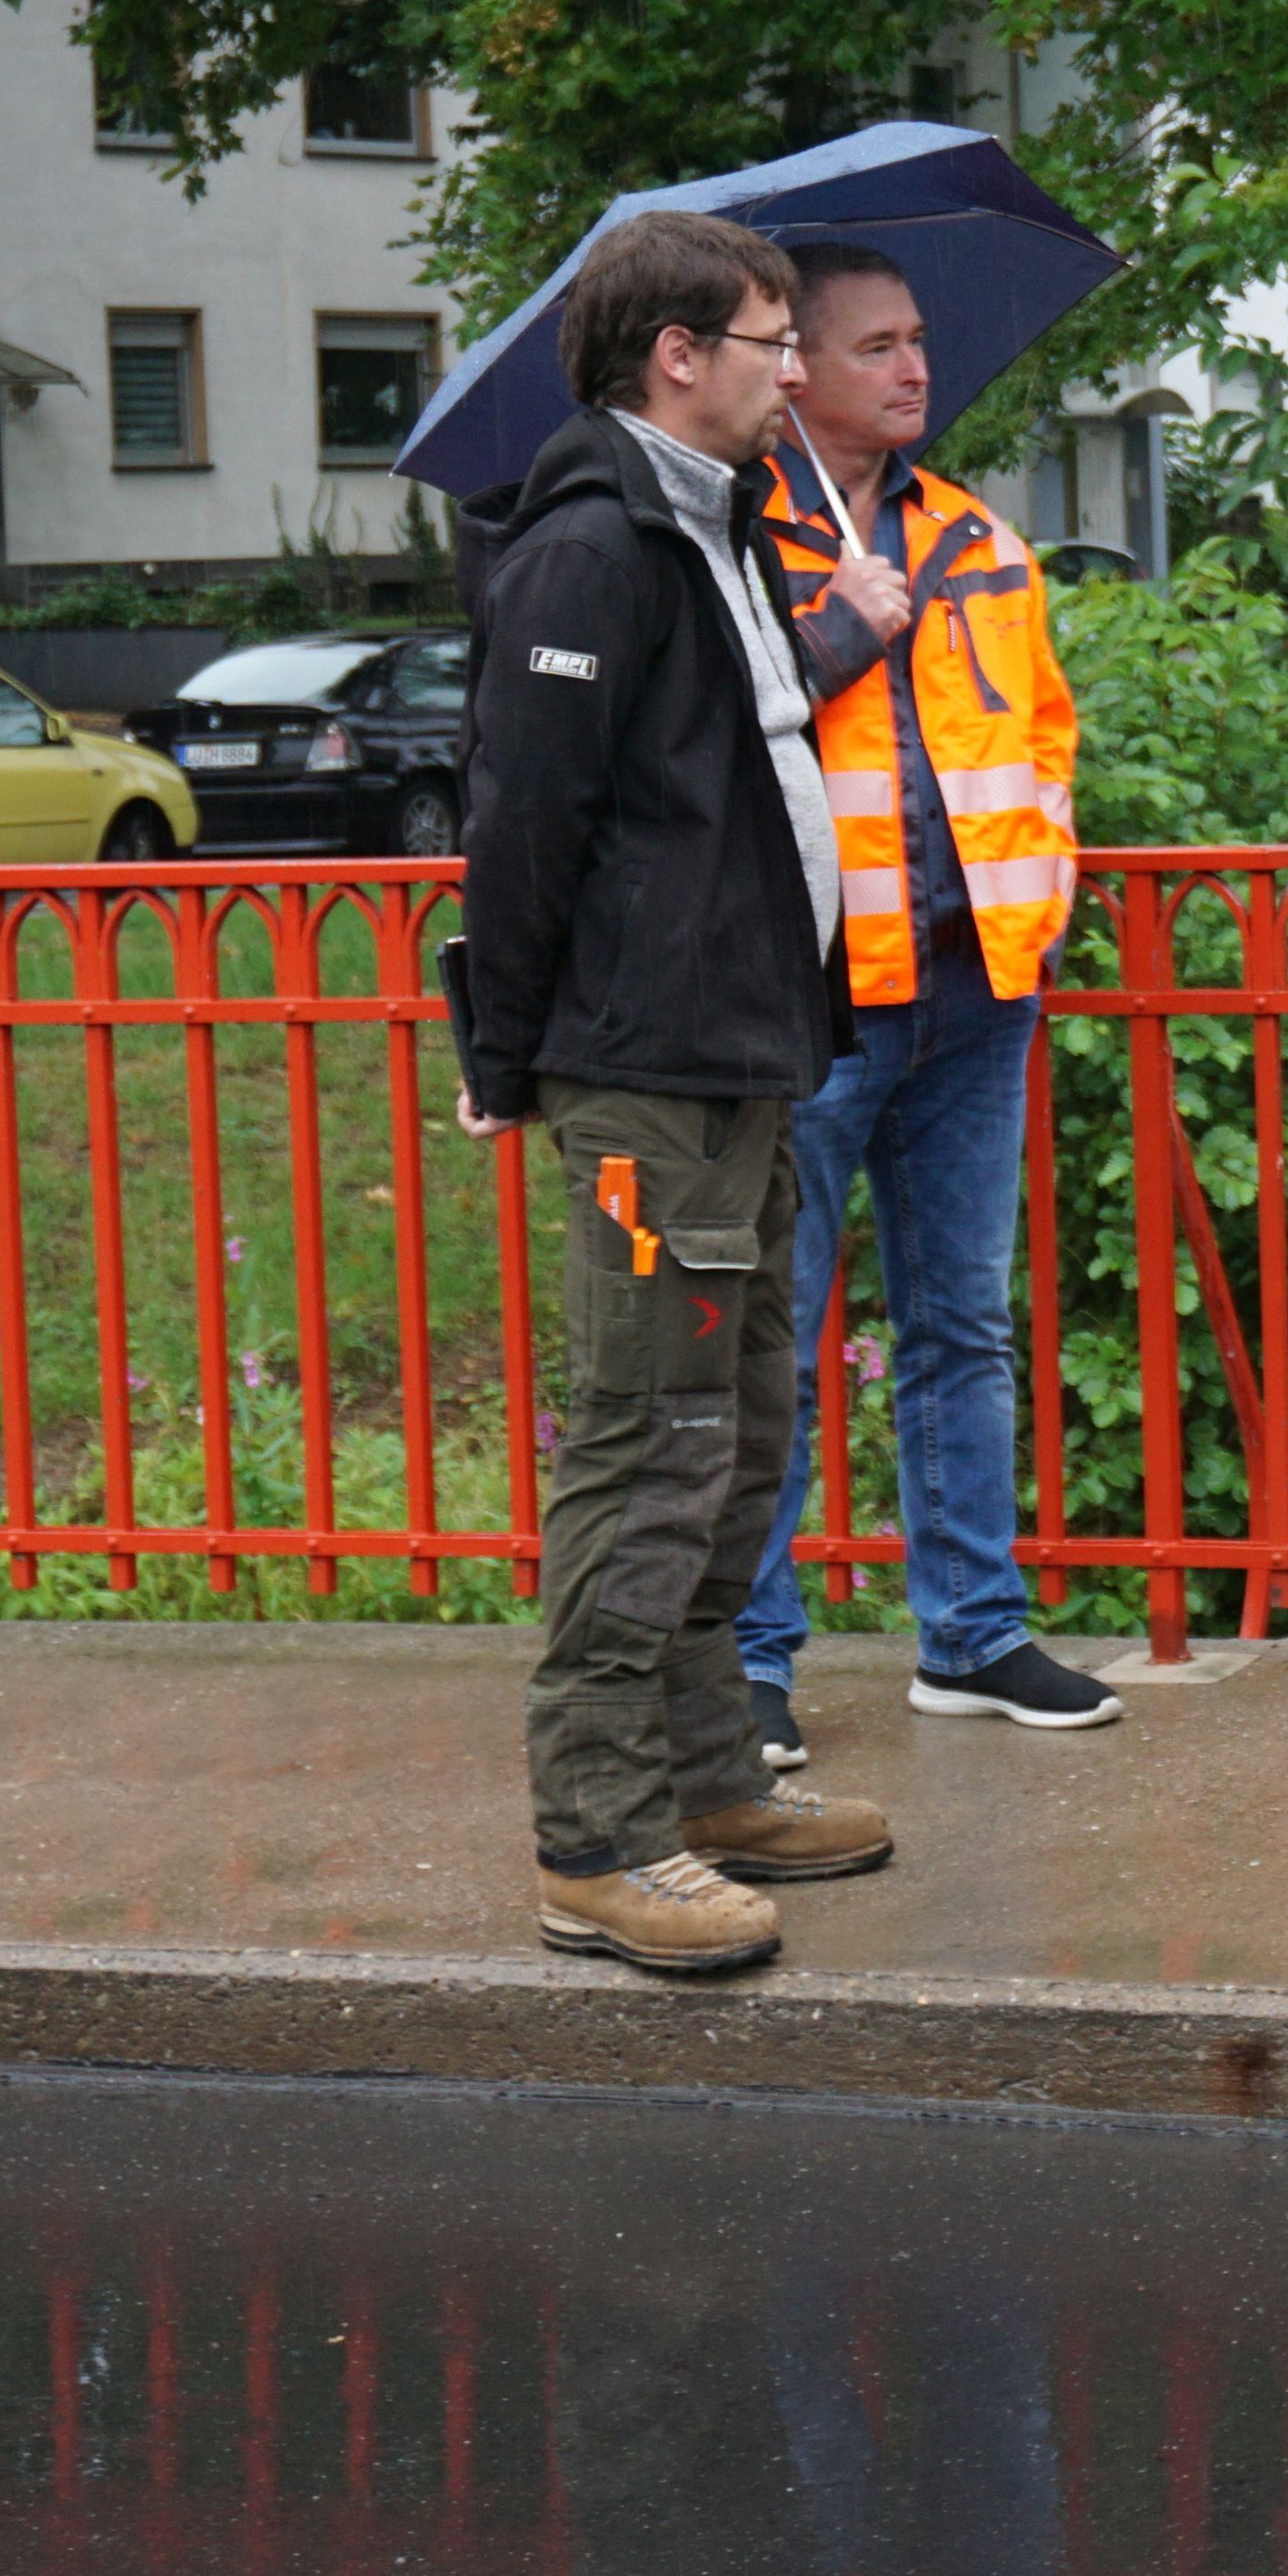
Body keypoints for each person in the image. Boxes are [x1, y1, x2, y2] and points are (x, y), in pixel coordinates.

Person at [456, 207, 915, 1977]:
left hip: (743, 1049)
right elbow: (525, 826)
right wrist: (506, 1053)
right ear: (674, 357)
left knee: (740, 1440)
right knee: (648, 1446)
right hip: (649, 1067)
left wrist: (834, 638)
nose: (790, 367)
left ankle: (710, 1779)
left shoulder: (712, 529)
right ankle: (597, 1833)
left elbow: (706, 765)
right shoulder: (595, 549)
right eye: (765, 337)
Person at [724, 241, 1109, 1766]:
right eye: (878, 344)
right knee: (780, 1339)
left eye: (920, 339)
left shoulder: (977, 540)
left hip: (976, 990)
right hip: (817, 1002)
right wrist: (839, 630)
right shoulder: (745, 541)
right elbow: (711, 743)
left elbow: (1046, 734)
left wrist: (1049, 881)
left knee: (962, 1326)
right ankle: (756, 1662)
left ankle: (975, 1634)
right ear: (797, 368)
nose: (915, 367)